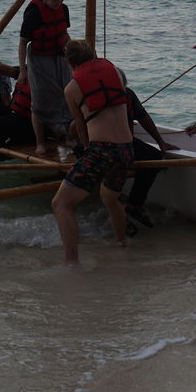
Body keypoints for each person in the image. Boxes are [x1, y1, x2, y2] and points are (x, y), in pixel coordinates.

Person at [51, 40, 134, 263]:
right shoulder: (114, 71)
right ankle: (121, 242)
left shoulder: (71, 88)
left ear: (69, 62)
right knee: (110, 198)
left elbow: (80, 126)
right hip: (126, 148)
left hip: (101, 149)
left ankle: (71, 261)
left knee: (61, 204)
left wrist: (87, 152)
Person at [18, 0, 73, 156]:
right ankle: (40, 141)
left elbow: (64, 33)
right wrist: (22, 70)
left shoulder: (63, 10)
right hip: (39, 59)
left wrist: (75, 55)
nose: (59, 3)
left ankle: (66, 137)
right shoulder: (34, 14)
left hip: (59, 55)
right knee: (40, 101)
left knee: (66, 95)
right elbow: (22, 43)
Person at [122, 88, 175, 229]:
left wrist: (160, 142)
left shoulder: (127, 93)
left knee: (154, 157)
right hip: (97, 142)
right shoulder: (90, 94)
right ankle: (117, 214)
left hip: (124, 141)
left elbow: (143, 117)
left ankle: (134, 203)